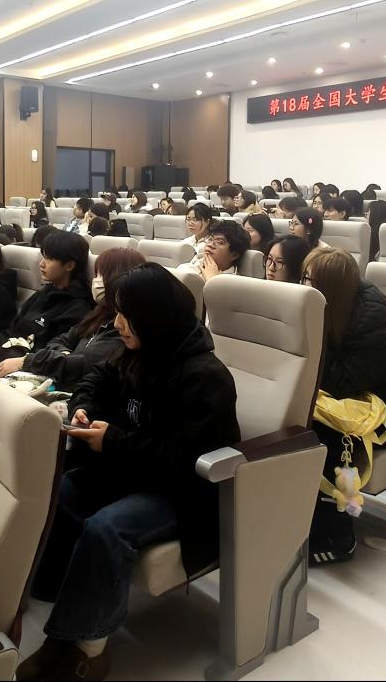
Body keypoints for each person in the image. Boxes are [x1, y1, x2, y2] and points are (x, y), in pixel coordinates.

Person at [16, 264, 240, 681]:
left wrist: (114, 441)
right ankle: (57, 589)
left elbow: (184, 456)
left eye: (126, 315)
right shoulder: (138, 351)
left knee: (107, 528)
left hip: (184, 493)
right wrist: (85, 408)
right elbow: (95, 381)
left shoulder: (205, 377)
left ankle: (86, 648)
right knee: (61, 491)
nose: (117, 324)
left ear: (154, 317)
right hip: (135, 470)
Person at [300, 247, 386, 564]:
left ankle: (339, 535)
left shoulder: (375, 329)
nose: (303, 288)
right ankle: (302, 520)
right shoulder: (332, 314)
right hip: (356, 406)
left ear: (331, 290)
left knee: (330, 438)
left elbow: (342, 384)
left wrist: (313, 335)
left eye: (310, 281)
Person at [14, 248, 146, 382]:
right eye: (95, 275)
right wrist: (63, 354)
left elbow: (85, 365)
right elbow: (60, 340)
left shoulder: (125, 329)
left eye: (101, 275)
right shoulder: (98, 314)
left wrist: (30, 361)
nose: (96, 281)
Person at [0, 232, 94, 372]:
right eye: (43, 257)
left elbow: (48, 355)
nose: (41, 264)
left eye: (49, 259)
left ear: (69, 266)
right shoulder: (43, 293)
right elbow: (13, 330)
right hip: (2, 356)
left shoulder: (78, 307)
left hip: (24, 369)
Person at [176, 220, 248, 281]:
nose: (210, 245)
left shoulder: (234, 282)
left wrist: (212, 280)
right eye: (210, 239)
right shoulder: (187, 267)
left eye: (220, 242)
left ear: (234, 254)